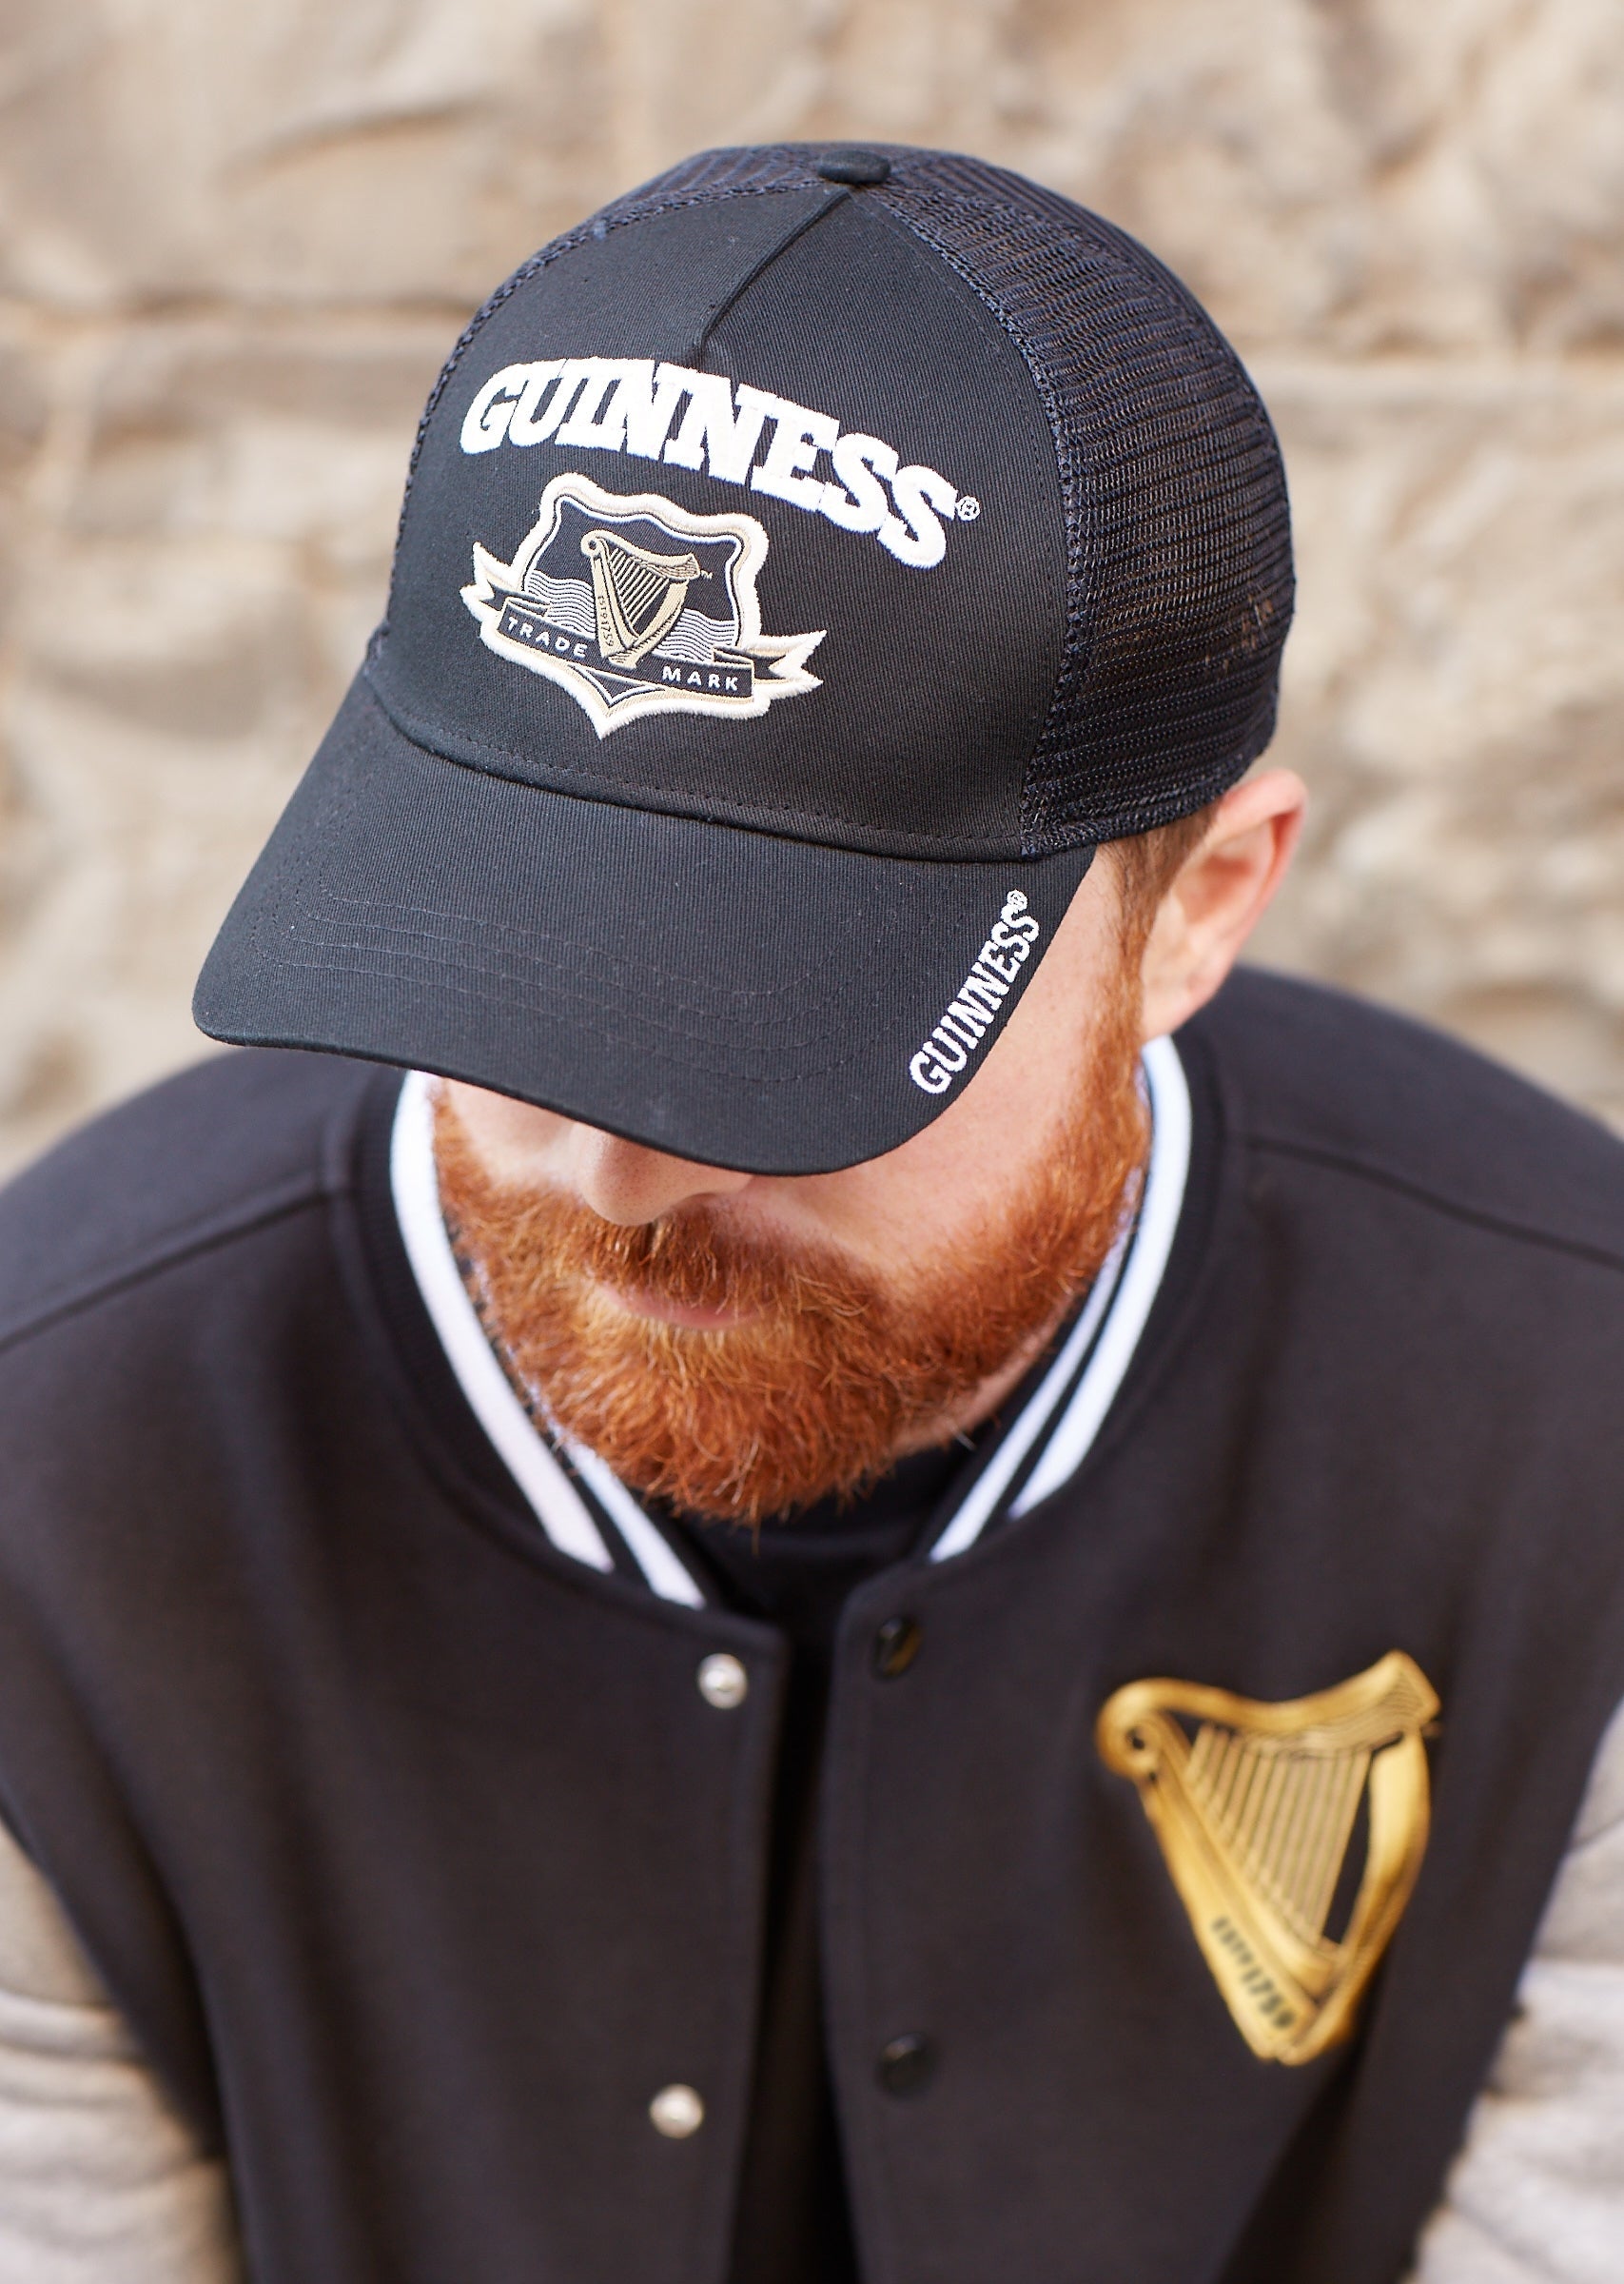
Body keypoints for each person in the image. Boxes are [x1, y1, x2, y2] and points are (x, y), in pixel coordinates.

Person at [0, 141, 1620, 2284]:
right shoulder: (53, 1469)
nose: (603, 1169)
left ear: (1192, 911)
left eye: (776, 1037)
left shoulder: (1564, 1432)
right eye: (513, 972)